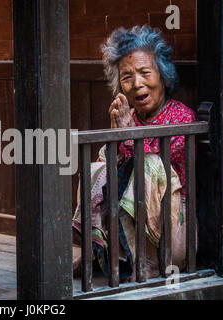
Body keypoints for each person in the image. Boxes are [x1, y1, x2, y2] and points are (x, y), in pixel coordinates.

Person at [72, 25, 197, 282]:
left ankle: (148, 264)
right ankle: (96, 252)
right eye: (127, 76)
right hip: (126, 226)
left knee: (150, 166)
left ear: (162, 76)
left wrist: (129, 134)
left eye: (144, 73)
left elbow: (160, 167)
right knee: (97, 167)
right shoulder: (129, 117)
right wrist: (115, 136)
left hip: (172, 233)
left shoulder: (181, 116)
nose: (137, 83)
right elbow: (108, 169)